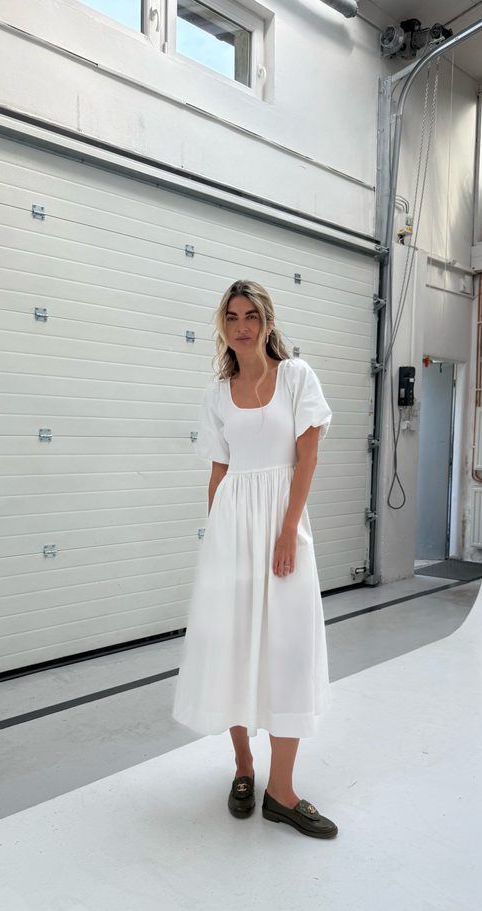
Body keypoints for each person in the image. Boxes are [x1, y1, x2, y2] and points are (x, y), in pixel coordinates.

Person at [172, 280, 338, 839]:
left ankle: (281, 791)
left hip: (282, 526)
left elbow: (307, 456)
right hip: (232, 529)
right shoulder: (218, 393)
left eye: (251, 315)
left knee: (289, 648)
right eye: (231, 316)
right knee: (233, 644)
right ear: (222, 326)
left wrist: (288, 530)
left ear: (268, 322)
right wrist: (214, 539)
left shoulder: (296, 377)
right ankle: (244, 766)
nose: (241, 325)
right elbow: (218, 470)